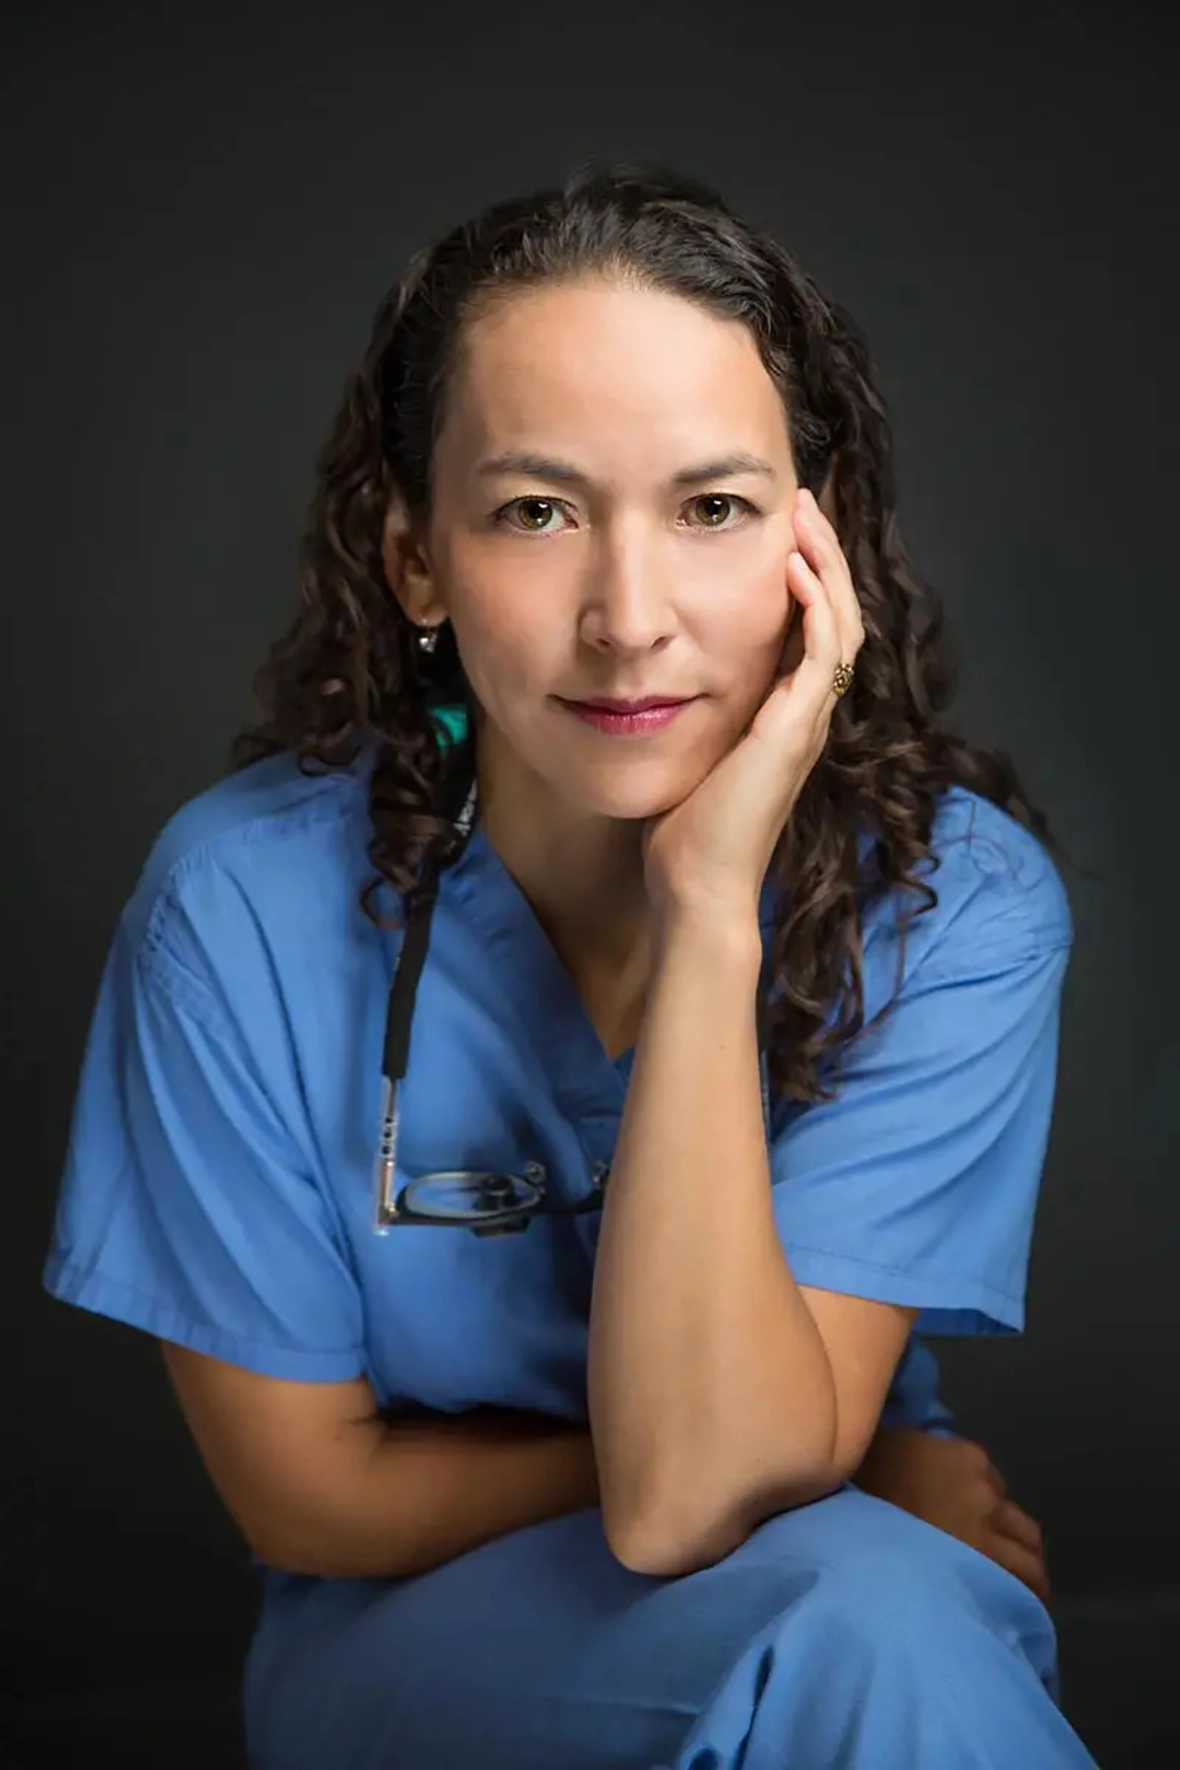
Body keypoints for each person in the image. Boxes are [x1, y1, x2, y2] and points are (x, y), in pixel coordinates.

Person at [42, 161, 1096, 1767]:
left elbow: (723, 1494)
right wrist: (848, 1463)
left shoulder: (954, 903)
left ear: (818, 546)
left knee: (876, 1624)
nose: (628, 616)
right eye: (537, 511)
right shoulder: (237, 911)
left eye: (713, 508)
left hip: (843, 1578)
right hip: (411, 1621)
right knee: (876, 1614)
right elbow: (315, 1495)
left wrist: (711, 907)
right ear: (414, 562)